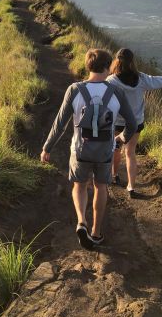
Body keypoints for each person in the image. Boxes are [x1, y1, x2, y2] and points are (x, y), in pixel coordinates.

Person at [41, 49, 137, 249]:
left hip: (80, 150)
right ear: (108, 66)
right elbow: (132, 124)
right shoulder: (116, 92)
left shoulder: (75, 89)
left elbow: (60, 124)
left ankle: (81, 222)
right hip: (104, 152)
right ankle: (96, 233)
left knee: (79, 186)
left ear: (88, 65)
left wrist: (47, 147)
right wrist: (120, 140)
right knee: (101, 187)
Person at [107, 48, 162, 198]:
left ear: (116, 60)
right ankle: (131, 186)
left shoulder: (111, 81)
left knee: (115, 148)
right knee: (130, 153)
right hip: (136, 123)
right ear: (132, 61)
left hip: (118, 122)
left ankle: (114, 176)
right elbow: (158, 81)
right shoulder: (141, 78)